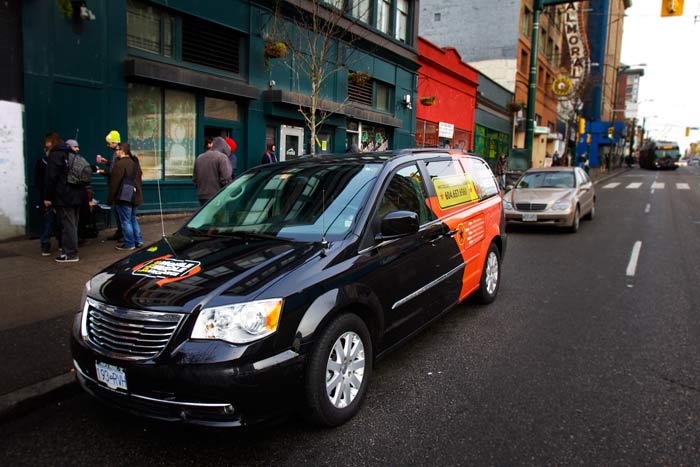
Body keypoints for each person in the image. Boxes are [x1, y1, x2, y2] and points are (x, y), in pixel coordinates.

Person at [44, 134, 83, 262]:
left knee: (67, 225)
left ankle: (71, 253)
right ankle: (70, 251)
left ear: (50, 143)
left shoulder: (55, 155)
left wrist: (48, 196)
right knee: (73, 224)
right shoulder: (71, 153)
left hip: (64, 195)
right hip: (76, 193)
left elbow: (51, 178)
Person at [107, 142, 144, 251]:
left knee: (126, 221)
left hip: (124, 197)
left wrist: (110, 199)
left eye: (117, 150)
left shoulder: (120, 164)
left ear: (122, 151)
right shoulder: (134, 162)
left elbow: (114, 183)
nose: (116, 152)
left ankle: (129, 243)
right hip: (135, 195)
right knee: (132, 219)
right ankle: (138, 240)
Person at [36, 132, 61, 256]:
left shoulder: (55, 160)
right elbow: (40, 181)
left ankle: (60, 242)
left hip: (57, 195)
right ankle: (45, 243)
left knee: (58, 221)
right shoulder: (42, 163)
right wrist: (46, 196)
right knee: (48, 221)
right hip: (50, 195)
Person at [97, 130, 124, 241]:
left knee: (121, 212)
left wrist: (103, 172)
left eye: (109, 143)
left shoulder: (119, 153)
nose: (108, 145)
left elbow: (116, 171)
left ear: (114, 142)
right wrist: (107, 162)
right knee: (118, 211)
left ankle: (123, 234)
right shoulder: (116, 153)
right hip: (116, 185)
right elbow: (114, 166)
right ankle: (120, 232)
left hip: (118, 186)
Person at [193, 136, 233, 205]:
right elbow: (226, 179)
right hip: (217, 196)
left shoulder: (200, 157)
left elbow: (195, 179)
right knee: (219, 215)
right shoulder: (222, 157)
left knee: (205, 215)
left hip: (202, 196)